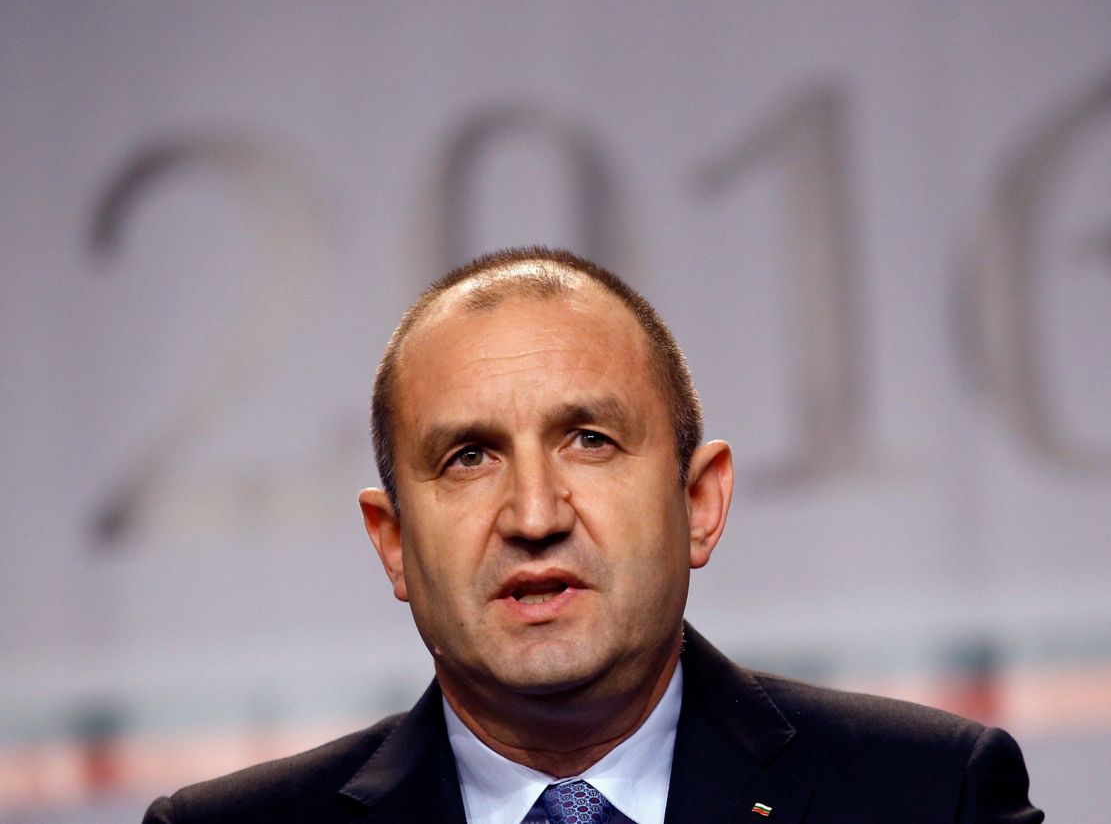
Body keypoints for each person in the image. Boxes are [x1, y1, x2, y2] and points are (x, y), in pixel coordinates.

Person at [144, 247, 1043, 823]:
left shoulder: (932, 797)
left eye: (590, 441)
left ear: (700, 503)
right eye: (468, 457)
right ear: (392, 542)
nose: (534, 516)